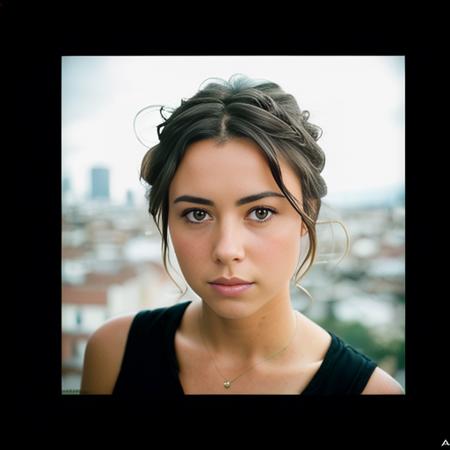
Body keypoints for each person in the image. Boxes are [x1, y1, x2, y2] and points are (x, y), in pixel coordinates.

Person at [81, 74, 404, 395]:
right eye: (197, 214)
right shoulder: (113, 353)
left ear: (308, 214)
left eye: (260, 212)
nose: (227, 249)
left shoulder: (371, 392)